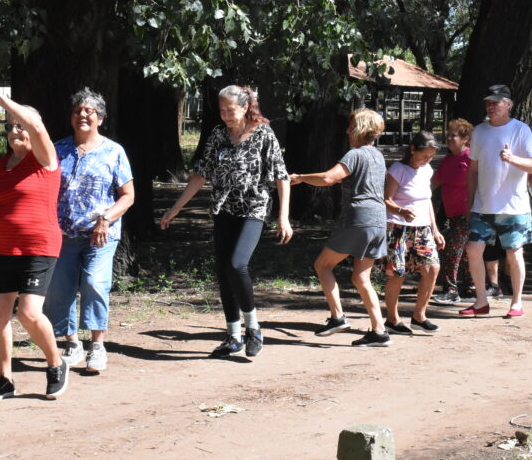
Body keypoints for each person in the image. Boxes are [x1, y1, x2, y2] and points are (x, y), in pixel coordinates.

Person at [160, 85, 291, 358]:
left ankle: (253, 329)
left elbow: (281, 176)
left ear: (245, 107)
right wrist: (176, 208)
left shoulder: (264, 134)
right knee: (223, 273)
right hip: (223, 209)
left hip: (253, 208)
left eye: (230, 110)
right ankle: (233, 337)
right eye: (221, 111)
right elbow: (200, 175)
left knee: (237, 264)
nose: (226, 116)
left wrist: (283, 217)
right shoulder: (218, 134)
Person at [0, 77, 69, 400]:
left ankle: (56, 363)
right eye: (10, 127)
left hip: (40, 246)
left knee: (29, 313)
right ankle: (5, 378)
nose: (16, 131)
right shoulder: (3, 164)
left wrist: (0, 101)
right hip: (3, 247)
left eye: (21, 126)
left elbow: (33, 122)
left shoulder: (46, 159)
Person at [45, 88, 135, 373]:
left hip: (100, 235)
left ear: (101, 118)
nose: (82, 115)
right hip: (62, 234)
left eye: (89, 112)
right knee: (61, 290)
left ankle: (97, 346)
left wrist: (106, 219)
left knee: (95, 284)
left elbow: (128, 195)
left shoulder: (113, 151)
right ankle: (72, 344)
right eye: (77, 111)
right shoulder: (57, 149)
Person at [291, 109, 390, 347]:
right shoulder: (378, 156)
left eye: (350, 126)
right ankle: (379, 331)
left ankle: (337, 317)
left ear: (360, 129)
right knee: (361, 277)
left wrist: (301, 178)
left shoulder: (355, 154)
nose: (346, 131)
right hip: (379, 221)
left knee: (322, 265)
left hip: (359, 219)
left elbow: (328, 178)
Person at [459, 85, 532, 318]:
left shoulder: (521, 130)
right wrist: (470, 202)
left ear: (509, 104)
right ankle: (481, 302)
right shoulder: (480, 132)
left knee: (514, 254)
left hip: (513, 206)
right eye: (488, 102)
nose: (491, 106)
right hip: (483, 206)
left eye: (496, 102)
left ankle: (517, 303)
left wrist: (512, 158)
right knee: (473, 250)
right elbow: (473, 170)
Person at [382, 132, 445, 334]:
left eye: (431, 157)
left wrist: (435, 230)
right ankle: (392, 319)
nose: (427, 160)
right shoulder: (398, 169)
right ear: (412, 149)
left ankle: (419, 316)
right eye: (424, 156)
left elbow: (427, 202)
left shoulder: (426, 170)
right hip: (398, 227)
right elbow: (386, 199)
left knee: (432, 268)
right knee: (398, 273)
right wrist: (401, 210)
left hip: (423, 228)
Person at [431, 119, 473, 305]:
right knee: (463, 251)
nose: (448, 138)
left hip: (468, 214)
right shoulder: (448, 160)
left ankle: (451, 290)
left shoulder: (471, 158)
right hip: (452, 214)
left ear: (465, 138)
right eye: (447, 134)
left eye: (453, 135)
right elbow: (434, 183)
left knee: (452, 249)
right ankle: (470, 287)